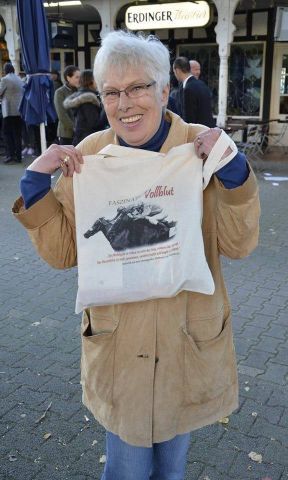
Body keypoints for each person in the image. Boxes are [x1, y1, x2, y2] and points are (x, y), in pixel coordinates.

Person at [12, 31, 260, 480]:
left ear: (165, 90)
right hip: (119, 346)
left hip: (187, 340)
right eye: (111, 91)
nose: (125, 103)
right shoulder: (89, 156)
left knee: (171, 469)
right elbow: (66, 251)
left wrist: (235, 172)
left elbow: (240, 245)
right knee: (126, 470)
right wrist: (34, 187)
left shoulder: (199, 148)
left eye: (139, 87)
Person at [63, 69, 104, 145]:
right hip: (88, 140)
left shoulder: (82, 96)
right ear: (90, 81)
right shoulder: (88, 99)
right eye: (95, 79)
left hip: (81, 138)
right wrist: (105, 112)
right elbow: (94, 124)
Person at [173, 56, 215, 127]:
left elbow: (189, 120)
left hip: (198, 133)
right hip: (207, 130)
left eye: (174, 72)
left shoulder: (188, 89)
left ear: (177, 71)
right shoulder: (202, 84)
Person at [0, 62, 24, 164]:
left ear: (5, 70)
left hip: (9, 110)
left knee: (7, 133)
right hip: (19, 110)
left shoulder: (5, 79)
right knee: (17, 134)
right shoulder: (19, 79)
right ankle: (18, 156)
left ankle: (10, 155)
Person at [54, 65, 80, 145]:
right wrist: (74, 127)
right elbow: (62, 114)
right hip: (66, 133)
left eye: (80, 77)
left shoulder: (79, 91)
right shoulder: (60, 92)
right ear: (68, 78)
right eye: (77, 77)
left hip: (80, 132)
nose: (79, 80)